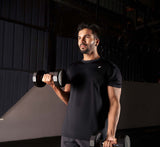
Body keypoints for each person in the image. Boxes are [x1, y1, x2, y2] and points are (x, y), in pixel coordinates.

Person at [42, 23, 122, 147]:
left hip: (94, 136)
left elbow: (114, 102)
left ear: (96, 41)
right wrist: (54, 85)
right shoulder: (72, 68)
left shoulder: (110, 69)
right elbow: (69, 99)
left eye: (87, 37)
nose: (82, 41)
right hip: (69, 134)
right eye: (79, 38)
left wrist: (110, 135)